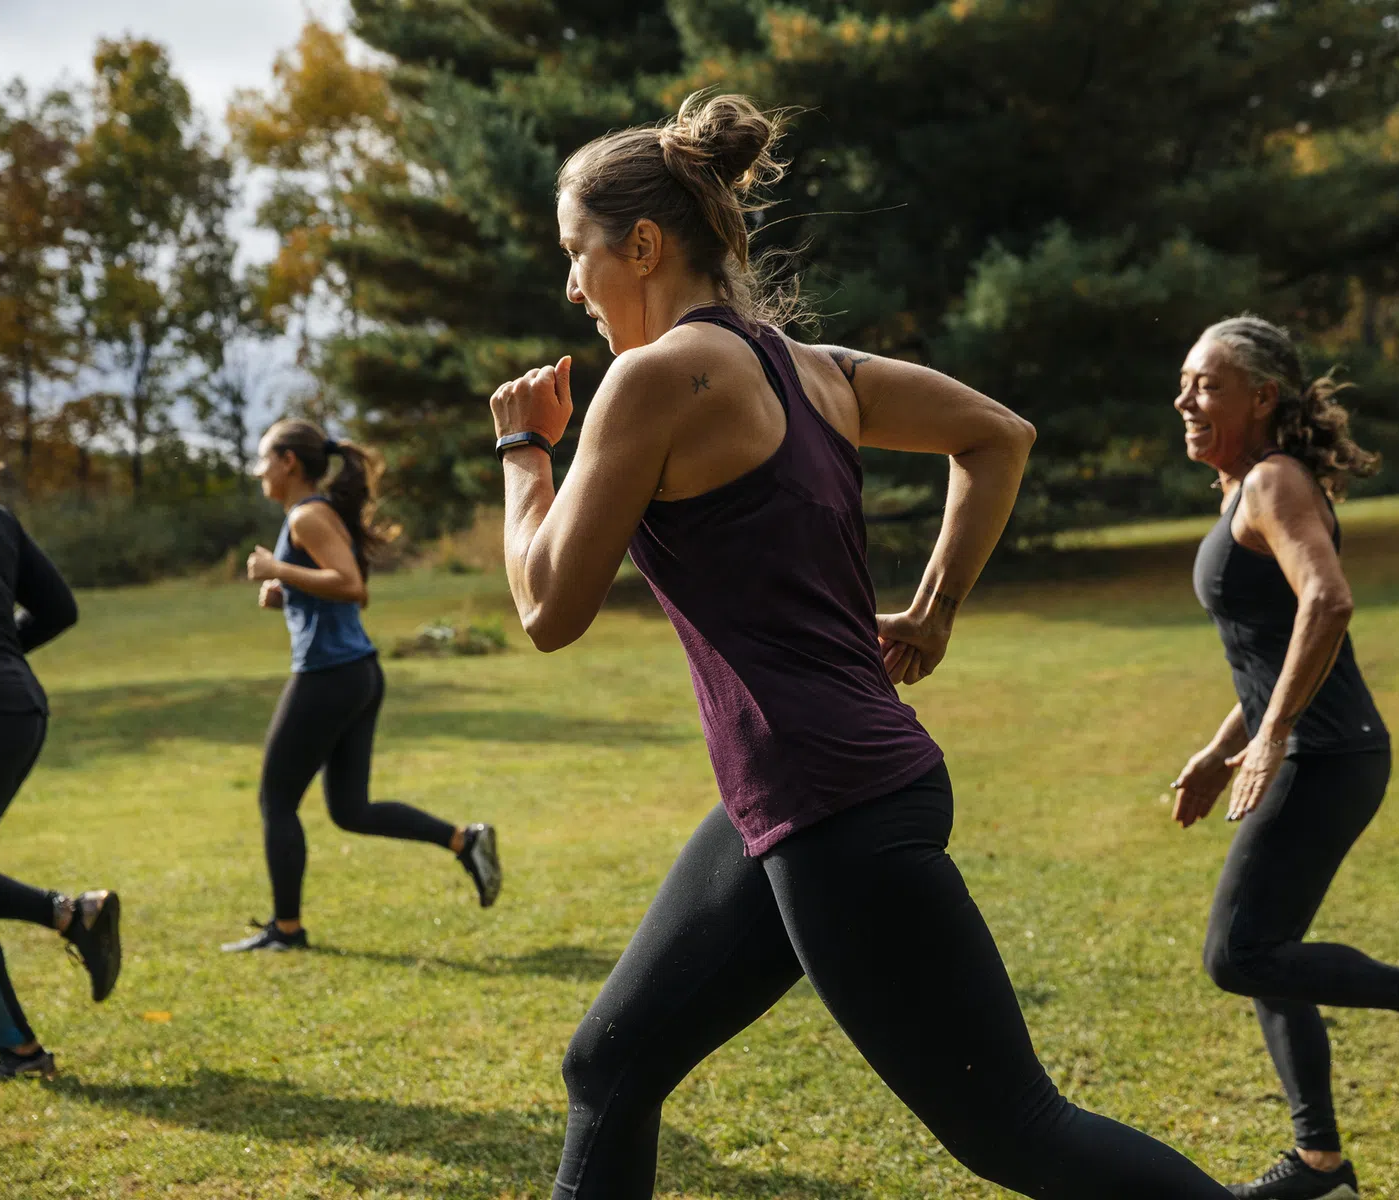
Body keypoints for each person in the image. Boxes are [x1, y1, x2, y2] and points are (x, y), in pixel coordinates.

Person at [488, 92, 1234, 1199]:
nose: (570, 286)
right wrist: (933, 608)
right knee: (612, 1064)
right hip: (804, 799)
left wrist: (520, 452)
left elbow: (549, 607)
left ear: (640, 245)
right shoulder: (813, 369)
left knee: (1020, 1127)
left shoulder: (655, 381)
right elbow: (998, 436)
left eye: (576, 254)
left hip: (834, 807)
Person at [1168, 316, 1399, 1199]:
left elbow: (1327, 603)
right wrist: (1226, 746)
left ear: (1262, 397)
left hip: (1327, 755)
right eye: (1184, 382)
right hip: (1316, 750)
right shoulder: (1244, 486)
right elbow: (1275, 642)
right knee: (1266, 946)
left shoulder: (1274, 482)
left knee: (1238, 954)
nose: (1185, 399)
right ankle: (1320, 1164)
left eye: (1206, 384)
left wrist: (1276, 733)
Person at [223, 420, 502, 952]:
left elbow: (351, 586)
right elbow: (347, 590)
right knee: (351, 811)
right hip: (353, 674)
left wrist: (276, 567)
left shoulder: (307, 516)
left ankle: (287, 930)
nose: (257, 470)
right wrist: (291, 593)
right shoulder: (313, 516)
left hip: (331, 675)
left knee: (275, 799)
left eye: (263, 459)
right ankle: (465, 840)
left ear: (288, 462)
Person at [0, 438, 121, 1081]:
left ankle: (23, 1052)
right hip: (16, 706)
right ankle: (71, 913)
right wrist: (3, 654)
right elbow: (59, 609)